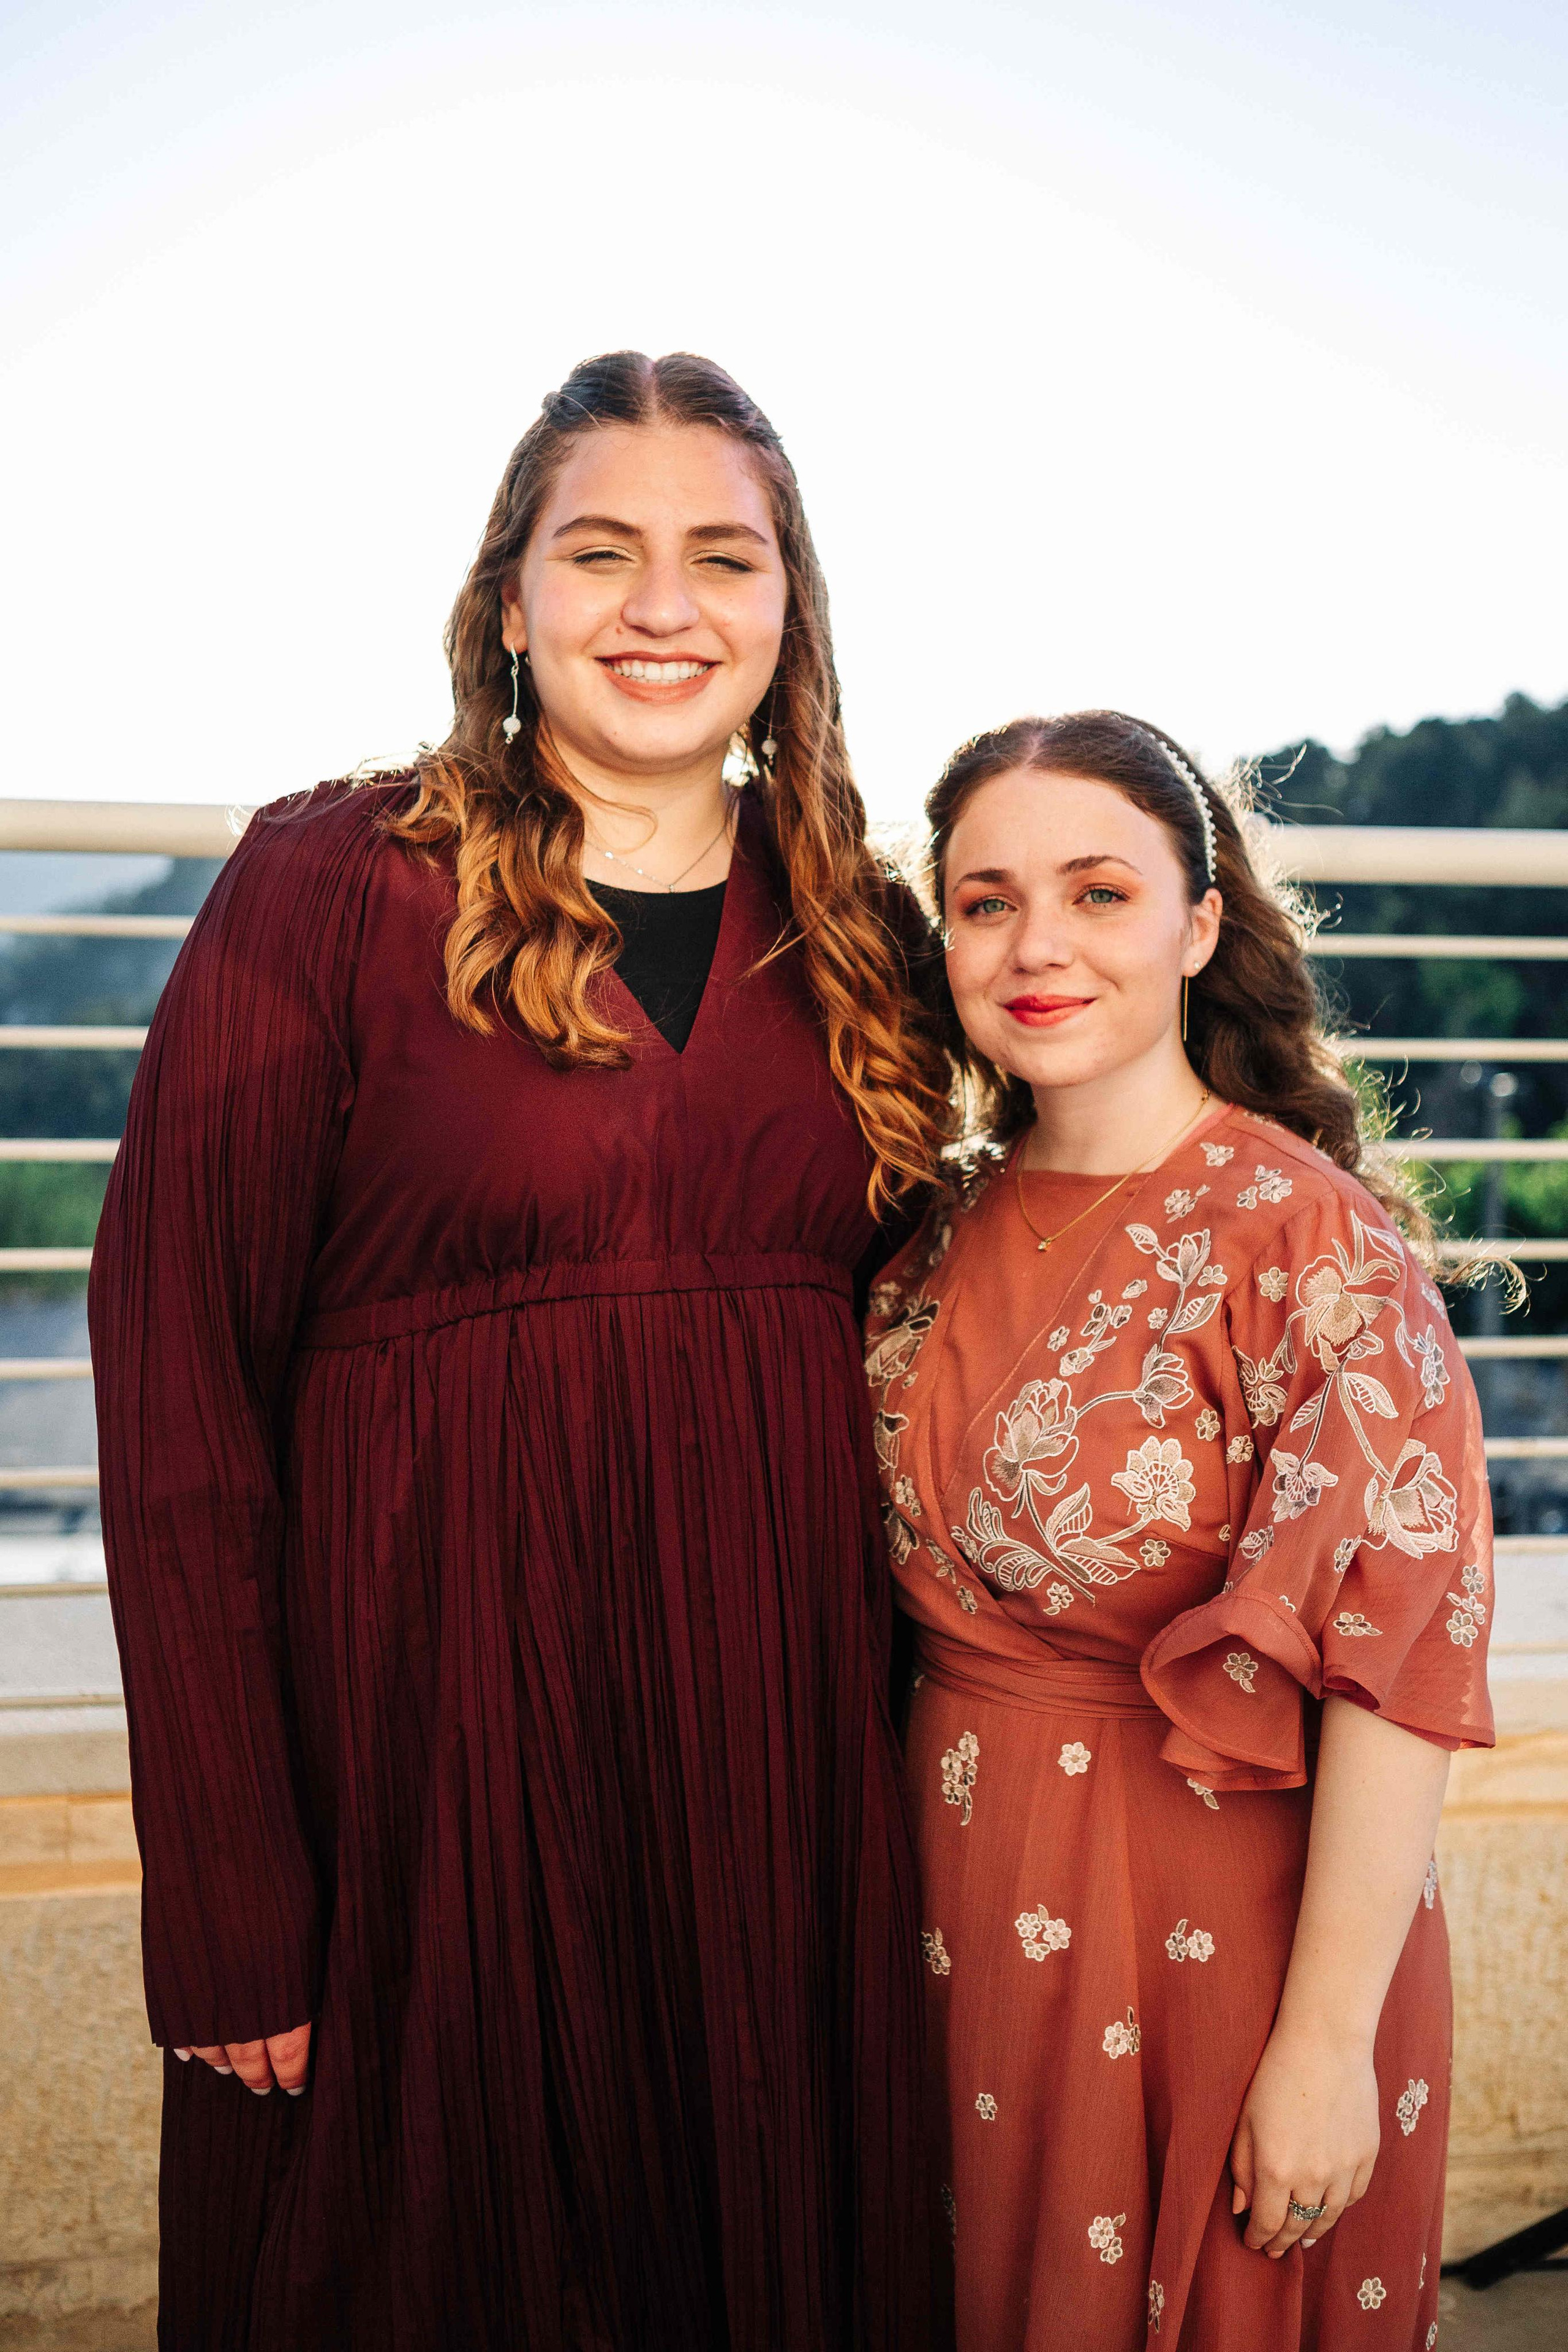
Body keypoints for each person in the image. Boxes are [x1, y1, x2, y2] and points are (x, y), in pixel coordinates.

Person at [91, 350, 955, 2351]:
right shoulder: (327, 884)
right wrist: (228, 1889)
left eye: (723, 558)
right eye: (604, 550)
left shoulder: (867, 936)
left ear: (788, 612)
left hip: (773, 1790)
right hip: (418, 1774)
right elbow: (179, 1411)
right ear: (510, 594)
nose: (665, 606)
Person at [864, 712, 1493, 2350]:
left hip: (1230, 1950)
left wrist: (1327, 2045)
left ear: (1201, 924)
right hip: (955, 1933)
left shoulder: (1308, 1243)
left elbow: (1395, 1664)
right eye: (988, 902)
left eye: (1098, 892)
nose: (1038, 946)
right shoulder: (927, 1224)